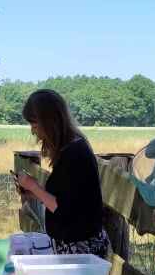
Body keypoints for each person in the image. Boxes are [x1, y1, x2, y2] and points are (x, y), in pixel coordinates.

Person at [14, 89, 110, 258]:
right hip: (75, 245)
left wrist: (33, 186)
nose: (33, 131)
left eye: (34, 125)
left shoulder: (75, 154)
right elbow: (70, 200)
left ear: (49, 122)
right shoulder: (72, 148)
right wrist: (34, 194)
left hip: (81, 248)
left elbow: (62, 209)